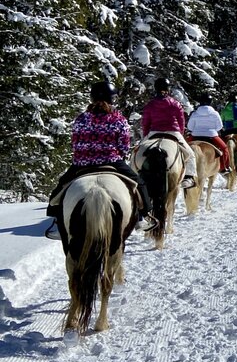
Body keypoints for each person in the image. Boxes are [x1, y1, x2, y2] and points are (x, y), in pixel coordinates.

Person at [44, 81, 154, 246]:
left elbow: (75, 143)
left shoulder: (81, 118)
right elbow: (124, 147)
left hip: (82, 163)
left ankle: (57, 222)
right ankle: (142, 216)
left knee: (60, 188)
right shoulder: (119, 119)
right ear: (112, 99)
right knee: (139, 183)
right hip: (111, 161)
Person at [140, 77, 197, 189]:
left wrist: (146, 136)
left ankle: (135, 174)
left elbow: (145, 123)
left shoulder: (150, 104)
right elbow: (181, 121)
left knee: (137, 152)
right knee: (190, 155)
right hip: (173, 132)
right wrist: (180, 133)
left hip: (154, 132)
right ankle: (189, 177)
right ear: (168, 89)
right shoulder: (175, 103)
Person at [186, 92, 230, 172]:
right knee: (224, 148)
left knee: (183, 148)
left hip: (195, 135)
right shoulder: (215, 113)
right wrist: (212, 130)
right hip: (212, 136)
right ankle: (224, 168)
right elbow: (219, 126)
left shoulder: (195, 113)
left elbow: (190, 127)